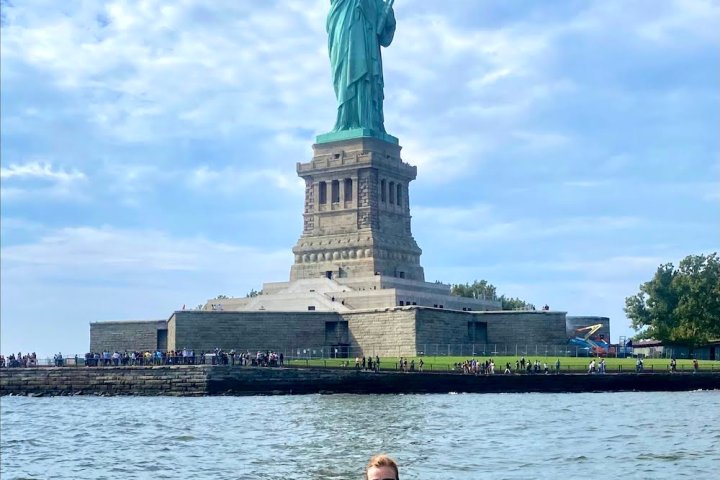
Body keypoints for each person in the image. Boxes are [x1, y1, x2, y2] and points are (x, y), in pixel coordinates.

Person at [326, 0, 396, 134]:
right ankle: (346, 119)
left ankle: (367, 120)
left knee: (365, 76)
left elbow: (384, 34)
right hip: (344, 28)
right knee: (346, 75)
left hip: (365, 37)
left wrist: (386, 13)